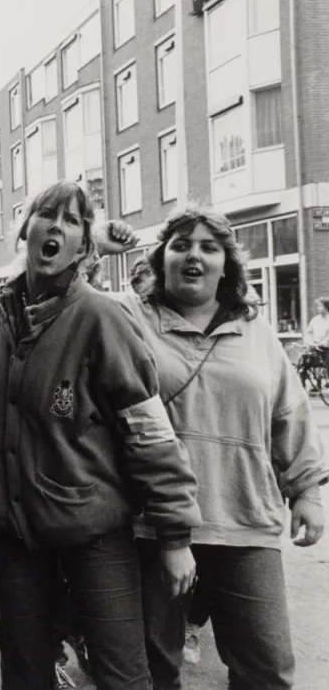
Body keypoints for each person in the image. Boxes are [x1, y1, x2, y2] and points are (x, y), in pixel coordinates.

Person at [0, 180, 201, 690]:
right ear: (26, 231)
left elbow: (149, 433)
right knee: (25, 667)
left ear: (84, 247)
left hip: (94, 531)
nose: (56, 226)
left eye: (71, 220)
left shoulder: (102, 317)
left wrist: (175, 535)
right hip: (14, 531)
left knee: (120, 670)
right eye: (47, 214)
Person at [121, 205, 328, 690]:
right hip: (152, 527)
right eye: (181, 245)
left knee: (266, 669)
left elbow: (289, 413)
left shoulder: (258, 333)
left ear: (226, 265)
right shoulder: (130, 319)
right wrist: (97, 241)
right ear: (161, 259)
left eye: (209, 247)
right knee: (154, 670)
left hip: (245, 522)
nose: (194, 255)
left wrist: (308, 492)